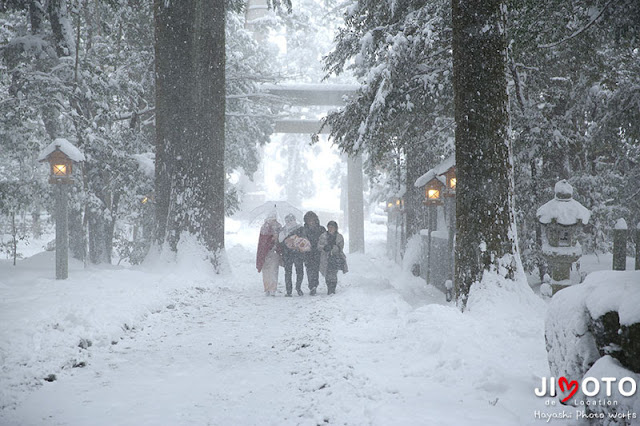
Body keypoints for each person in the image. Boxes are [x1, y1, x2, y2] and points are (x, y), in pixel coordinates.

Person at [318, 220, 348, 295]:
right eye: (329, 227)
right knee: (327, 273)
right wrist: (324, 247)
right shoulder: (323, 236)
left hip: (335, 258)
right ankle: (329, 287)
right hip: (325, 258)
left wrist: (333, 248)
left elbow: (340, 247)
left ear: (335, 228)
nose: (330, 229)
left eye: (332, 227)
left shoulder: (339, 237)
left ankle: (332, 288)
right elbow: (319, 246)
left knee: (333, 273)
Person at [279, 214, 305, 297]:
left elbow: (304, 240)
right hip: (287, 254)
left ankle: (298, 287)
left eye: (291, 220)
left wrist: (296, 242)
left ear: (294, 220)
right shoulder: (283, 230)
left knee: (299, 271)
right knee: (288, 272)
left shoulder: (300, 228)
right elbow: (280, 241)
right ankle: (289, 290)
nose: (289, 222)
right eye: (288, 220)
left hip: (298, 253)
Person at [256, 213, 282, 296]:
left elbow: (281, 239)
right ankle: (268, 288)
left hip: (274, 252)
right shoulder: (265, 228)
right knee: (267, 270)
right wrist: (271, 239)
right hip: (267, 252)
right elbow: (262, 241)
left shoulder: (278, 227)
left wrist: (277, 238)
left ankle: (272, 288)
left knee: (273, 270)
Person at [300, 211, 326, 296]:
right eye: (309, 220)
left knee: (316, 269)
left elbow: (325, 239)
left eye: (312, 219)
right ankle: (312, 286)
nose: (311, 221)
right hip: (307, 253)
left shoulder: (321, 229)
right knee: (310, 270)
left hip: (318, 252)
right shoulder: (303, 230)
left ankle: (315, 284)